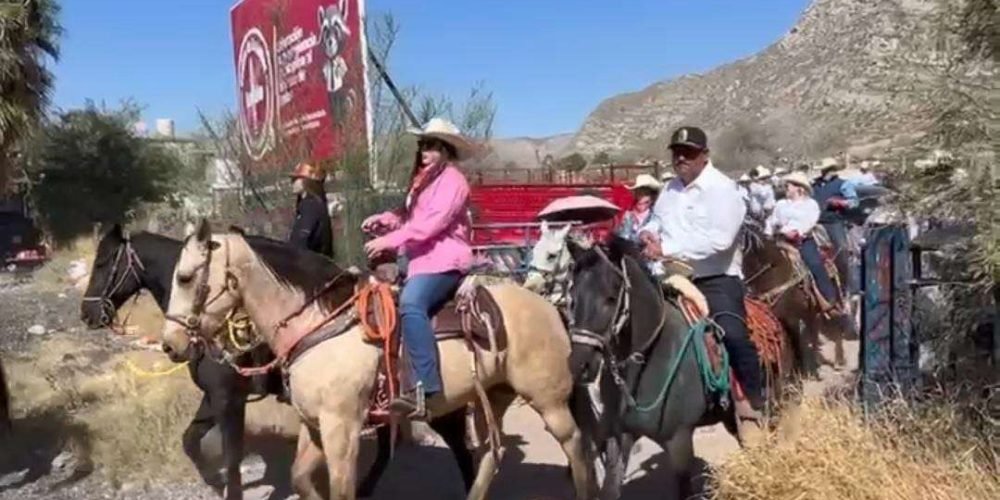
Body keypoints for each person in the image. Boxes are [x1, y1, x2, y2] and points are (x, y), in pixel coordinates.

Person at [638, 126, 765, 422]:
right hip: (667, 274)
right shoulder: (669, 189)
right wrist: (648, 233)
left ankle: (754, 401)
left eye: (689, 153)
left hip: (714, 279)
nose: (681, 158)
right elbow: (657, 220)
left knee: (732, 334)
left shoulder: (724, 190)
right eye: (676, 153)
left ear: (704, 155)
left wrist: (665, 248)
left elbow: (719, 241)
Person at [361, 118, 477, 419]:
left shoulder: (454, 181)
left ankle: (425, 387)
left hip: (446, 260)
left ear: (447, 150)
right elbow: (412, 217)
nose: (424, 151)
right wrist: (385, 219)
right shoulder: (424, 181)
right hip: (418, 261)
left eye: (432, 146)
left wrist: (390, 239)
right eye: (423, 145)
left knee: (412, 304)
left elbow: (429, 226)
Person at [765, 172, 838, 308]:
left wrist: (796, 232)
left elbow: (808, 222)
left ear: (800, 188)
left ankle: (829, 298)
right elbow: (772, 220)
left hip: (801, 242)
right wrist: (769, 232)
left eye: (789, 185)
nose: (786, 187)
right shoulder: (781, 204)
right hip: (780, 240)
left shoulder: (810, 204)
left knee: (814, 263)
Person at [811, 157, 858, 290]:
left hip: (834, 222)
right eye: (825, 170)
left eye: (829, 170)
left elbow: (854, 202)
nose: (826, 173)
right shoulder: (814, 185)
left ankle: (848, 285)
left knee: (841, 249)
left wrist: (841, 203)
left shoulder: (843, 184)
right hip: (815, 222)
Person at [288, 162, 333, 257]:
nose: (292, 182)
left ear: (306, 181)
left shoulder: (310, 206)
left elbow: (301, 241)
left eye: (296, 179)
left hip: (309, 266)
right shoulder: (315, 204)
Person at [617, 174, 662, 242]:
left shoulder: (656, 216)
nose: (641, 197)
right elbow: (623, 238)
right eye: (639, 193)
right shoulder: (628, 215)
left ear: (652, 197)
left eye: (646, 193)